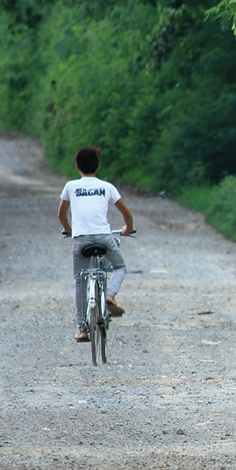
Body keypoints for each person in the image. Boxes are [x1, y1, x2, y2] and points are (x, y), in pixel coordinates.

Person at [57, 146, 134, 343]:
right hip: (104, 237)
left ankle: (82, 329)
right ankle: (109, 295)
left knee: (79, 281)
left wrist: (68, 229)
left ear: (77, 167)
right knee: (120, 266)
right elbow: (126, 214)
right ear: (98, 166)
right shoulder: (107, 187)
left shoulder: (70, 186)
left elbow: (61, 214)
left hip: (80, 239)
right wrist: (128, 229)